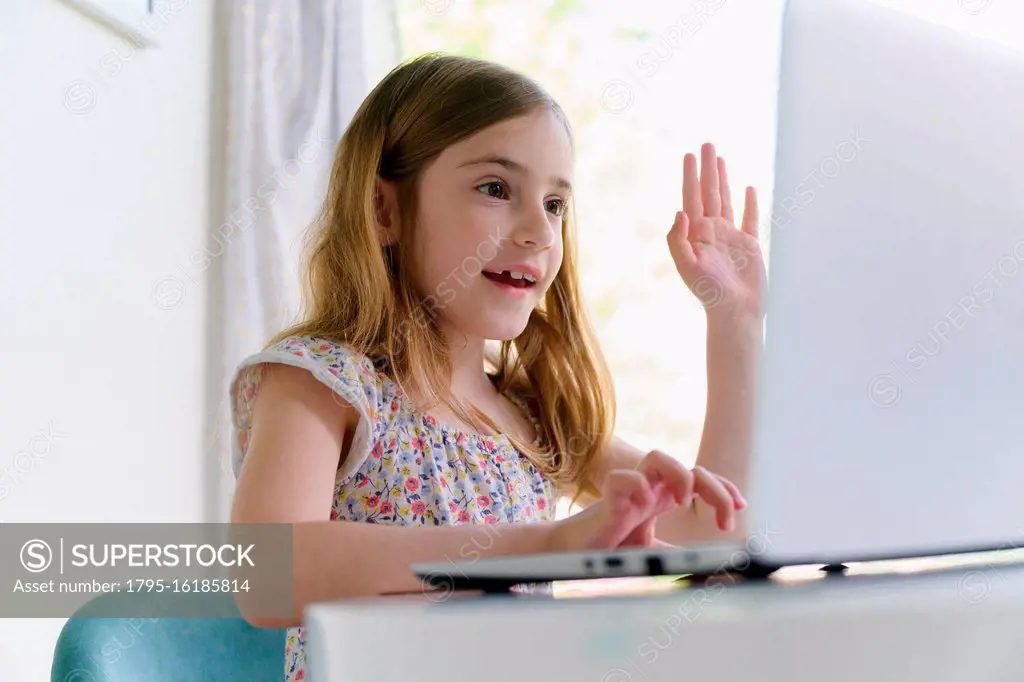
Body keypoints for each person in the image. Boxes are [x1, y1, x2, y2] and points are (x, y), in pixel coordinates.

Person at [229, 52, 766, 681]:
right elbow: (266, 573)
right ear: (384, 210)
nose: (539, 229)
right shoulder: (322, 382)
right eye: (495, 188)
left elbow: (718, 534)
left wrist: (734, 323)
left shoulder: (533, 418)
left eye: (556, 204)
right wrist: (546, 546)